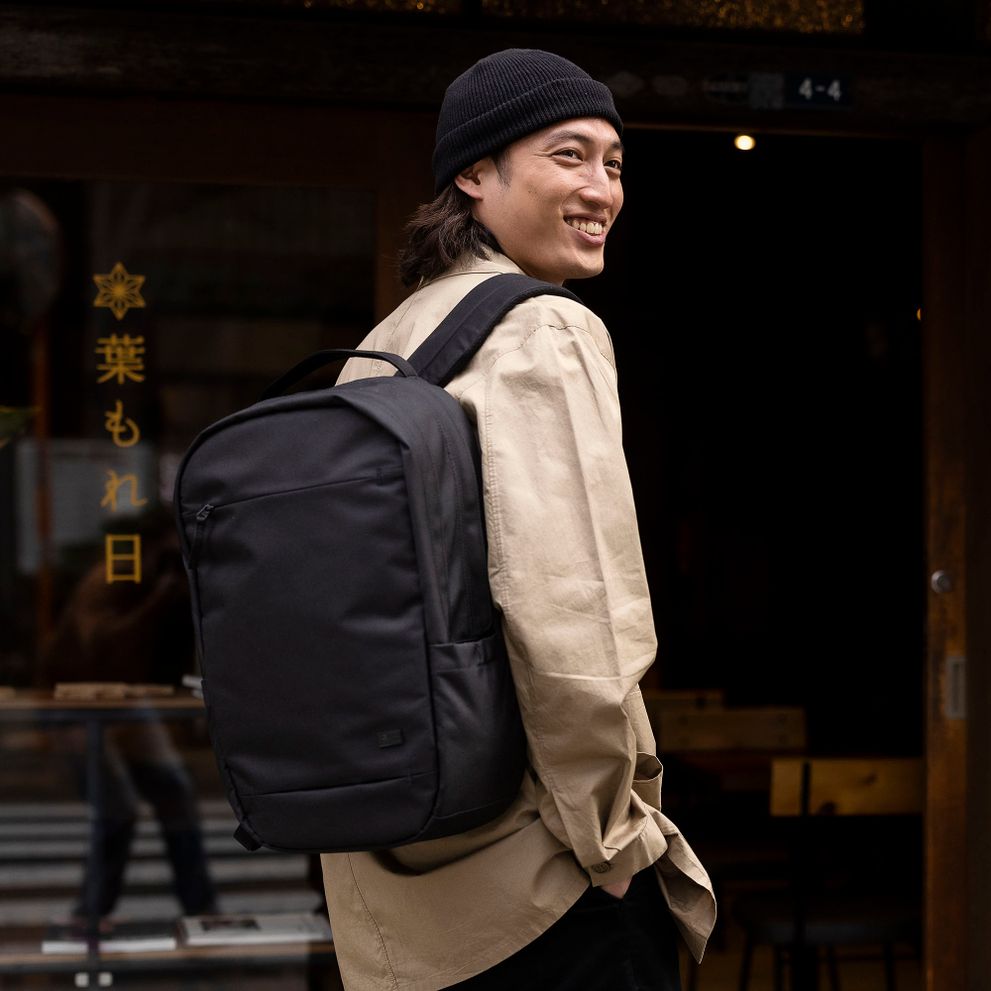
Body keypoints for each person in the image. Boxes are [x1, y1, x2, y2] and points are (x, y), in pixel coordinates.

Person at [321, 48, 716, 991]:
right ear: (473, 172)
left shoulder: (385, 346)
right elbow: (570, 611)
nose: (601, 189)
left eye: (613, 164)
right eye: (567, 155)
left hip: (396, 879)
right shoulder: (542, 327)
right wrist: (615, 840)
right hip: (538, 883)